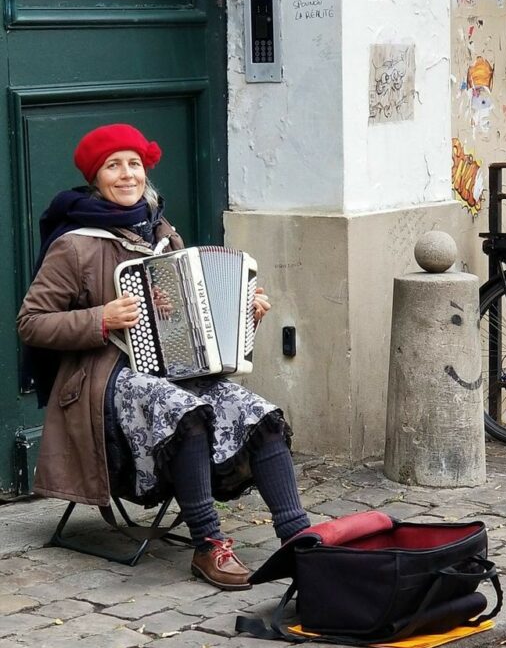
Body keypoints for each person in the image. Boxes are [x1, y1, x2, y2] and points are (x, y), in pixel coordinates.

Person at [17, 124, 311, 591]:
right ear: (96, 178)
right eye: (113, 166)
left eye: (133, 164)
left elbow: (198, 326)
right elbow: (31, 323)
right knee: (184, 411)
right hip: (102, 377)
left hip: (172, 366)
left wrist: (247, 314)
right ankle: (208, 544)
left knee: (261, 414)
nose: (126, 174)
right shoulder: (72, 244)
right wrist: (102, 317)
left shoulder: (161, 231)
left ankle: (301, 539)